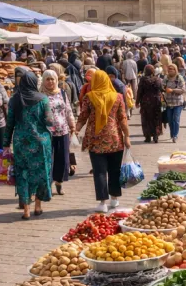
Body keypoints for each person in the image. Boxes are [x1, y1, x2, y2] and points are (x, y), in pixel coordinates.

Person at [76, 69, 131, 213]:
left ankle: (102, 202)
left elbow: (83, 116)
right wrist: (127, 136)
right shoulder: (118, 97)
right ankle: (114, 199)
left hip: (95, 140)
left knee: (99, 172)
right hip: (115, 139)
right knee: (115, 170)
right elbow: (123, 118)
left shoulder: (89, 97)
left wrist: (76, 129)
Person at [6, 68, 53, 220]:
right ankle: (38, 206)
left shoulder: (14, 99)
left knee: (23, 174)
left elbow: (9, 124)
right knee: (40, 173)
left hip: (21, 142)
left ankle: (26, 210)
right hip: (41, 142)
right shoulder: (43, 99)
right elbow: (49, 120)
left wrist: (6, 143)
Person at [41, 69, 75, 196]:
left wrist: (72, 125)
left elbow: (68, 110)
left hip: (62, 130)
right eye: (47, 79)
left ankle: (59, 182)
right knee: (48, 159)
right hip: (46, 132)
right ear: (43, 81)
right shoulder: (40, 95)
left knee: (62, 159)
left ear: (56, 80)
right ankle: (47, 185)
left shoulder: (62, 93)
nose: (50, 82)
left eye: (52, 79)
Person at [136, 64, 164, 143]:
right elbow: (161, 89)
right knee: (156, 118)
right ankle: (156, 136)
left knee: (146, 119)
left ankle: (147, 137)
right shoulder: (158, 79)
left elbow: (139, 92)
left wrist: (137, 102)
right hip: (156, 101)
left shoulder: (143, 79)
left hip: (146, 101)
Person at [162, 64, 186, 143]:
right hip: (168, 103)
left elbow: (183, 90)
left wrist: (173, 90)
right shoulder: (166, 78)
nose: (170, 71)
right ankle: (172, 134)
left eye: (172, 69)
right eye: (169, 69)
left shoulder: (179, 78)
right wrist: (165, 89)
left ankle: (175, 135)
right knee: (170, 119)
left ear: (175, 70)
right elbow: (162, 87)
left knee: (175, 119)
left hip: (178, 103)